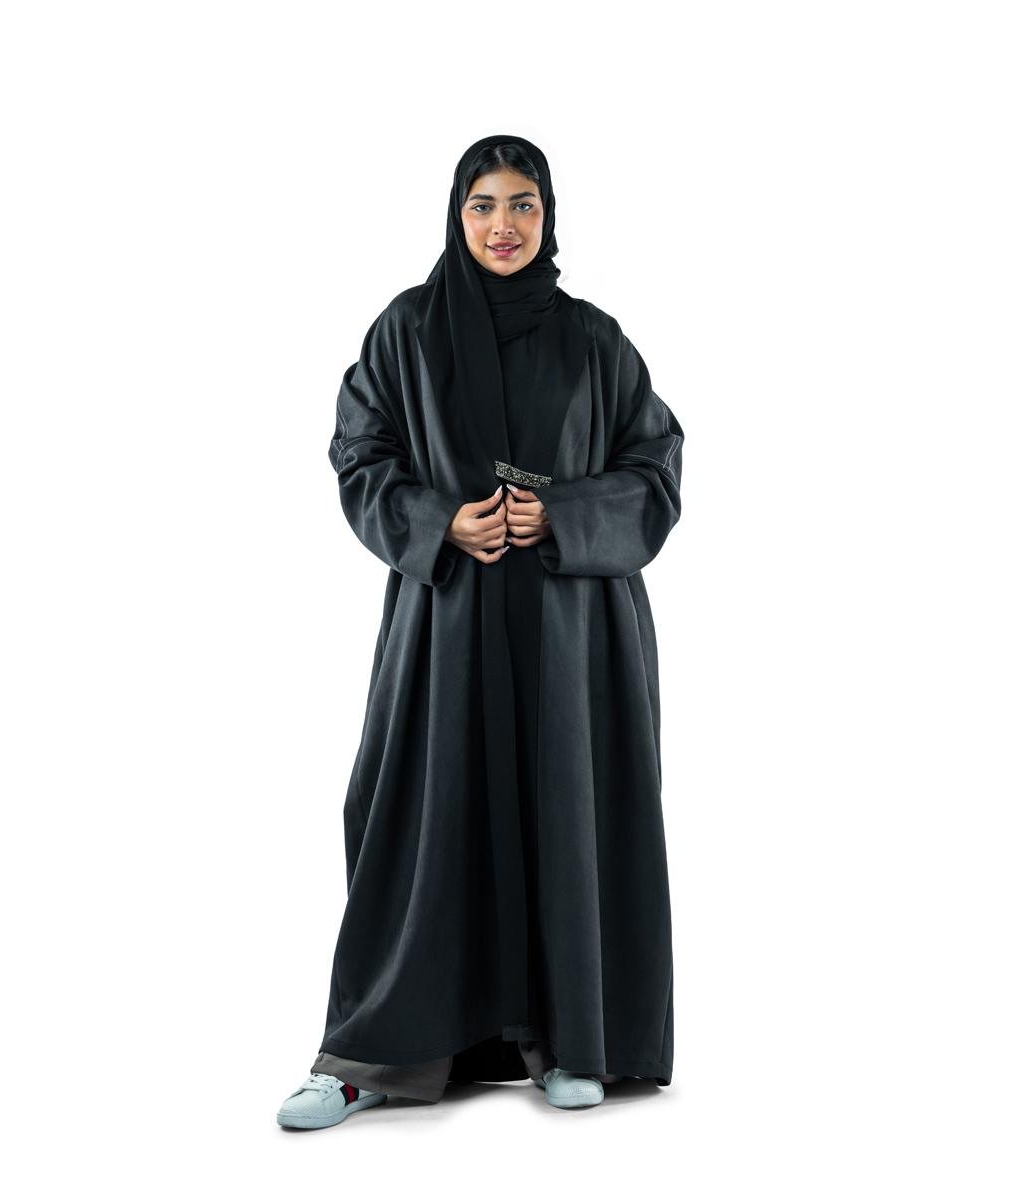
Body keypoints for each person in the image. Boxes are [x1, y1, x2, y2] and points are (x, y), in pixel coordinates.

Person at [277, 133, 684, 1130]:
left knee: (565, 815)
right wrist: (438, 522)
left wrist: (563, 515)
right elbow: (360, 453)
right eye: (483, 206)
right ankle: (372, 1054)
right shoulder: (407, 333)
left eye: (523, 205)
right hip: (447, 624)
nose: (504, 226)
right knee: (419, 817)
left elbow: (657, 468)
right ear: (456, 216)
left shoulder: (594, 342)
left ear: (549, 217)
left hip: (570, 637)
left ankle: (572, 1041)